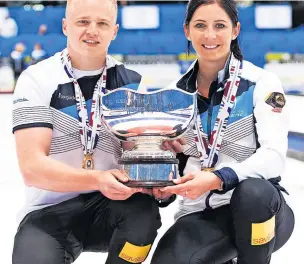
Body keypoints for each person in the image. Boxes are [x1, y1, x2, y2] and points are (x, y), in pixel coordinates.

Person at [11, 0, 179, 263]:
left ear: (114, 30)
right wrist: (98, 179)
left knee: (143, 215)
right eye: (83, 22)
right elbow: (32, 168)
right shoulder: (37, 79)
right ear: (65, 26)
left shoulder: (131, 83)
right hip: (48, 212)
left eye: (102, 23)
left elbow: (136, 156)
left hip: (110, 207)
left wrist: (158, 176)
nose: (92, 30)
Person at [151, 1, 295, 264]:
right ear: (186, 31)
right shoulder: (173, 95)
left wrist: (218, 178)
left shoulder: (261, 83)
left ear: (235, 30)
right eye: (200, 26)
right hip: (201, 215)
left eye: (219, 26)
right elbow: (178, 162)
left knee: (253, 193)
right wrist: (164, 185)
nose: (210, 35)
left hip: (261, 210)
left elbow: (274, 157)